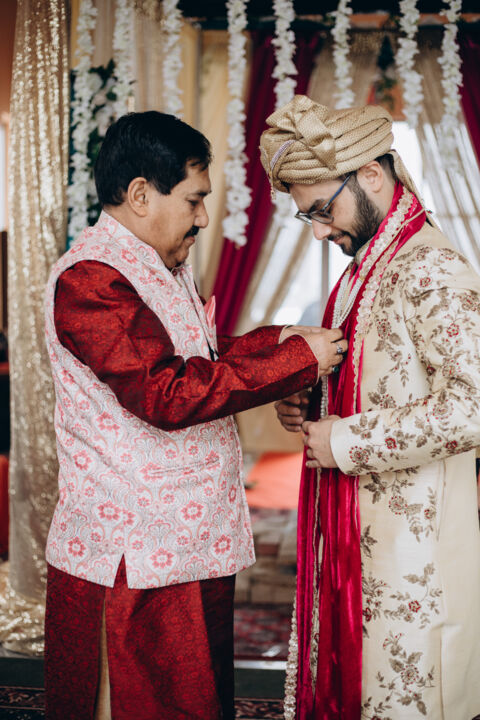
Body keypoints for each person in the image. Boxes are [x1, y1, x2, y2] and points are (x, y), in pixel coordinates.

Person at [43, 110, 348, 720]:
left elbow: (196, 357)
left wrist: (283, 341)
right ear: (139, 195)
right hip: (133, 551)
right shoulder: (92, 279)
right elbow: (165, 391)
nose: (204, 218)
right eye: (194, 199)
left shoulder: (156, 265)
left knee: (194, 699)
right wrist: (294, 360)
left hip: (183, 538)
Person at [260, 95, 480, 720]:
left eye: (322, 210)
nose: (319, 231)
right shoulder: (368, 267)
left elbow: (473, 405)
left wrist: (344, 441)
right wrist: (310, 400)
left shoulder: (430, 265)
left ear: (372, 175)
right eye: (308, 217)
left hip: (413, 554)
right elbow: (377, 376)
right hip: (355, 532)